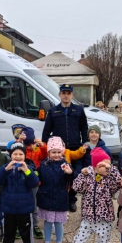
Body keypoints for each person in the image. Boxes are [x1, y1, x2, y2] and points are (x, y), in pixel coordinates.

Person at [64, 149, 122, 243]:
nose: (107, 168)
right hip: (88, 218)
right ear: (96, 166)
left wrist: (111, 169)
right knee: (78, 240)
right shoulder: (88, 176)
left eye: (109, 165)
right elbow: (76, 187)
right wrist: (82, 174)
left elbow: (120, 182)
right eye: (104, 165)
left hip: (104, 220)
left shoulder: (110, 179)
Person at [41, 84, 89, 213]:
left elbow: (84, 128)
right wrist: (46, 147)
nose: (66, 95)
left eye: (68, 93)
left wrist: (85, 143)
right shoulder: (53, 111)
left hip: (75, 149)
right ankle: (60, 199)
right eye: (64, 93)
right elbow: (46, 131)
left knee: (74, 175)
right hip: (58, 150)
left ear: (72, 95)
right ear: (60, 95)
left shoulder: (78, 110)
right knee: (59, 175)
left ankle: (71, 200)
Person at [0, 143, 39, 243]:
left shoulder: (29, 167)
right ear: (10, 155)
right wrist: (6, 169)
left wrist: (26, 171)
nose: (18, 157)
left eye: (20, 154)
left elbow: (35, 183)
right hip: (9, 208)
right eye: (15, 154)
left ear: (24, 155)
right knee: (8, 233)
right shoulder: (6, 168)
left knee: (26, 235)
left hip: (25, 209)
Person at [36, 138, 85, 243]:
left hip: (60, 198)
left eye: (59, 152)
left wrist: (70, 173)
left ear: (62, 151)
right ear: (48, 153)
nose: (57, 154)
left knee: (59, 223)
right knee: (47, 222)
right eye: (53, 152)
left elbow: (74, 179)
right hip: (46, 197)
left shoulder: (65, 164)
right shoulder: (43, 164)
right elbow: (37, 178)